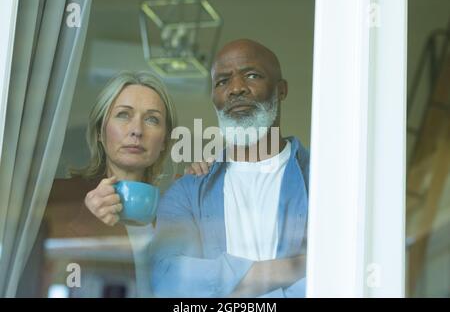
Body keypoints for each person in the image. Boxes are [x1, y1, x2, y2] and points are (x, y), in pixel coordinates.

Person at [147, 39, 310, 298]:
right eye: (222, 81)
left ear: (281, 90)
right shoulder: (188, 192)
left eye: (252, 75)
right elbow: (167, 277)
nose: (236, 89)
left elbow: (339, 269)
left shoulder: (324, 179)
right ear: (214, 98)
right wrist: (295, 267)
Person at [40, 71, 178, 297]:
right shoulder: (57, 197)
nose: (137, 130)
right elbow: (52, 282)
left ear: (164, 141)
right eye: (123, 115)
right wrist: (87, 221)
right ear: (99, 132)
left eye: (152, 119)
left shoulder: (176, 216)